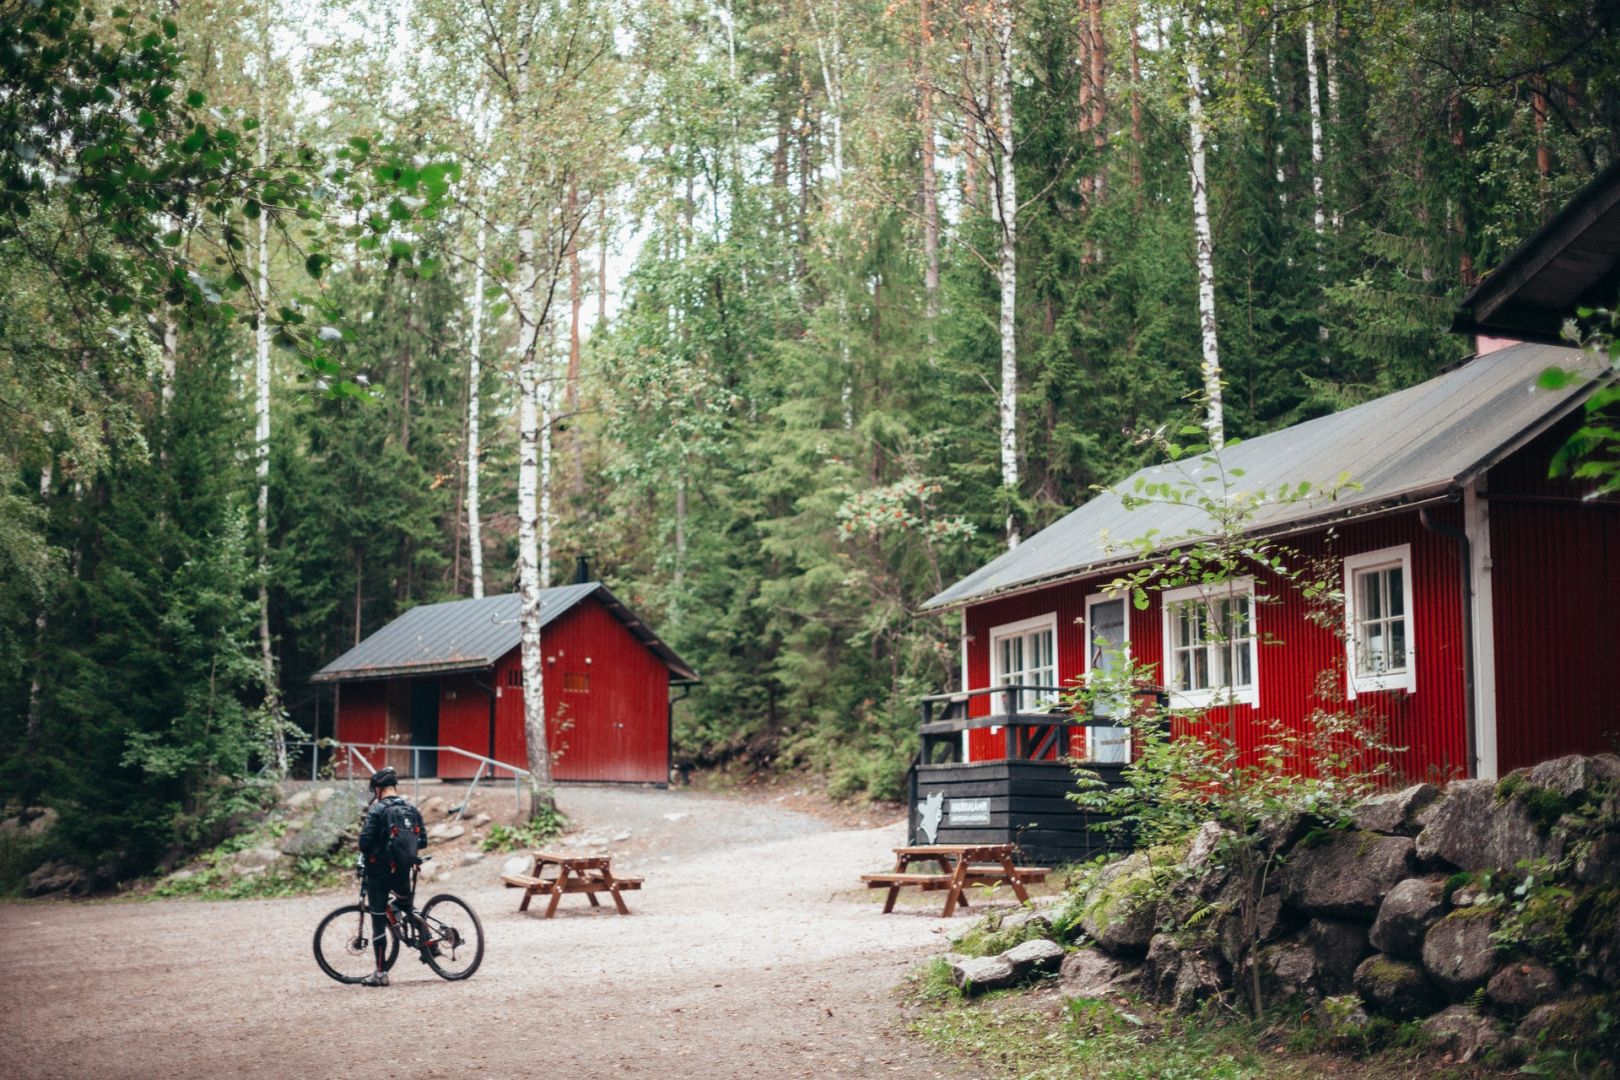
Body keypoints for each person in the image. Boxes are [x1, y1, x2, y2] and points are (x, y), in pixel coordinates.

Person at [356, 766, 429, 987]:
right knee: (407, 906)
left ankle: (380, 974)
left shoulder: (377, 810)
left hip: (378, 871)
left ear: (378, 789)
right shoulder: (410, 808)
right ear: (394, 786)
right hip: (403, 869)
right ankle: (430, 945)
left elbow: (364, 843)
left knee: (378, 919)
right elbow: (422, 842)